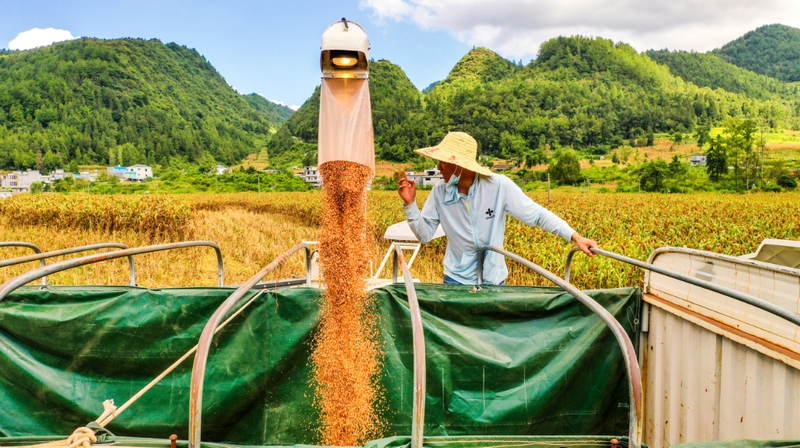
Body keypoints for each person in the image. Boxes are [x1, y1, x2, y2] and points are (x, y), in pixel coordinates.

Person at [397, 131, 598, 285]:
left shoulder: (498, 186)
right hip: (455, 280)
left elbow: (537, 215)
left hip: (494, 281)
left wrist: (575, 237)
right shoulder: (440, 193)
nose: (439, 168)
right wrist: (410, 204)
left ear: (459, 165)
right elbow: (425, 235)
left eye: (443, 162)